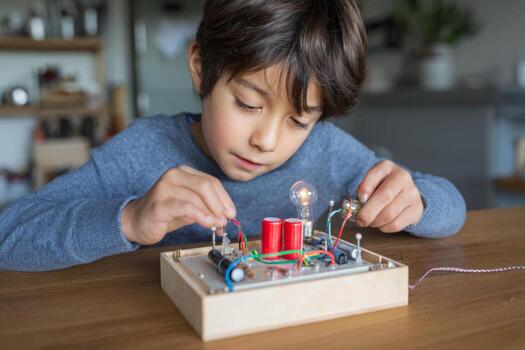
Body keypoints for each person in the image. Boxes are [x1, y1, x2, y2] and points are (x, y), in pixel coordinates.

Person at [0, 0, 466, 271]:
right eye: (248, 104)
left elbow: (451, 207)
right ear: (201, 69)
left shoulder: (329, 152)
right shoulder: (141, 152)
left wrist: (417, 202)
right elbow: (10, 235)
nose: (266, 139)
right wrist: (130, 219)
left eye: (299, 121)